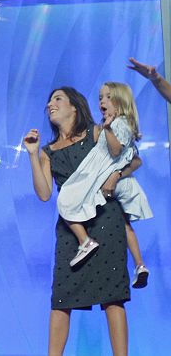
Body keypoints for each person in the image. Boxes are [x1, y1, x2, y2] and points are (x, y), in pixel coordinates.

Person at [23, 87, 131, 356]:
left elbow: (130, 157)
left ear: (74, 107)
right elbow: (44, 193)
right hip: (71, 230)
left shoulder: (96, 133)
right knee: (61, 298)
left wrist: (115, 177)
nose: (51, 104)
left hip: (105, 219)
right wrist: (32, 154)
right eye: (49, 101)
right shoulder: (48, 151)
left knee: (112, 296)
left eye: (58, 99)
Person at [56, 83, 152, 280]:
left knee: (66, 199)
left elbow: (118, 152)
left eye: (107, 97)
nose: (102, 101)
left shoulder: (118, 124)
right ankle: (140, 264)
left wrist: (107, 129)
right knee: (124, 223)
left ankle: (85, 241)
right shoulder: (117, 124)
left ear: (120, 101)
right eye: (100, 97)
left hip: (114, 180)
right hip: (120, 182)